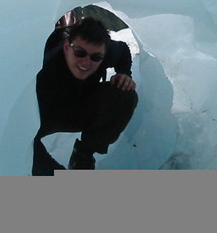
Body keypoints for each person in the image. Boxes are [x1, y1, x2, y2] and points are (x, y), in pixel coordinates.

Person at [32, 15, 138, 175]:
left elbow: (122, 50)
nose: (86, 62)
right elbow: (21, 139)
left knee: (124, 94)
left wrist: (124, 73)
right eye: (79, 53)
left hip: (78, 105)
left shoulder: (102, 50)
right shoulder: (44, 69)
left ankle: (83, 157)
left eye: (96, 57)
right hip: (44, 115)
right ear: (66, 47)